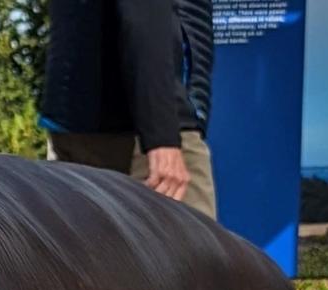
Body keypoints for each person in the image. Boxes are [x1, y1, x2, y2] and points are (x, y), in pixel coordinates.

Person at [42, 0, 217, 220]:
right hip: (144, 134)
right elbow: (144, 10)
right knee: (195, 251)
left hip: (73, 117)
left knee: (87, 251)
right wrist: (161, 137)